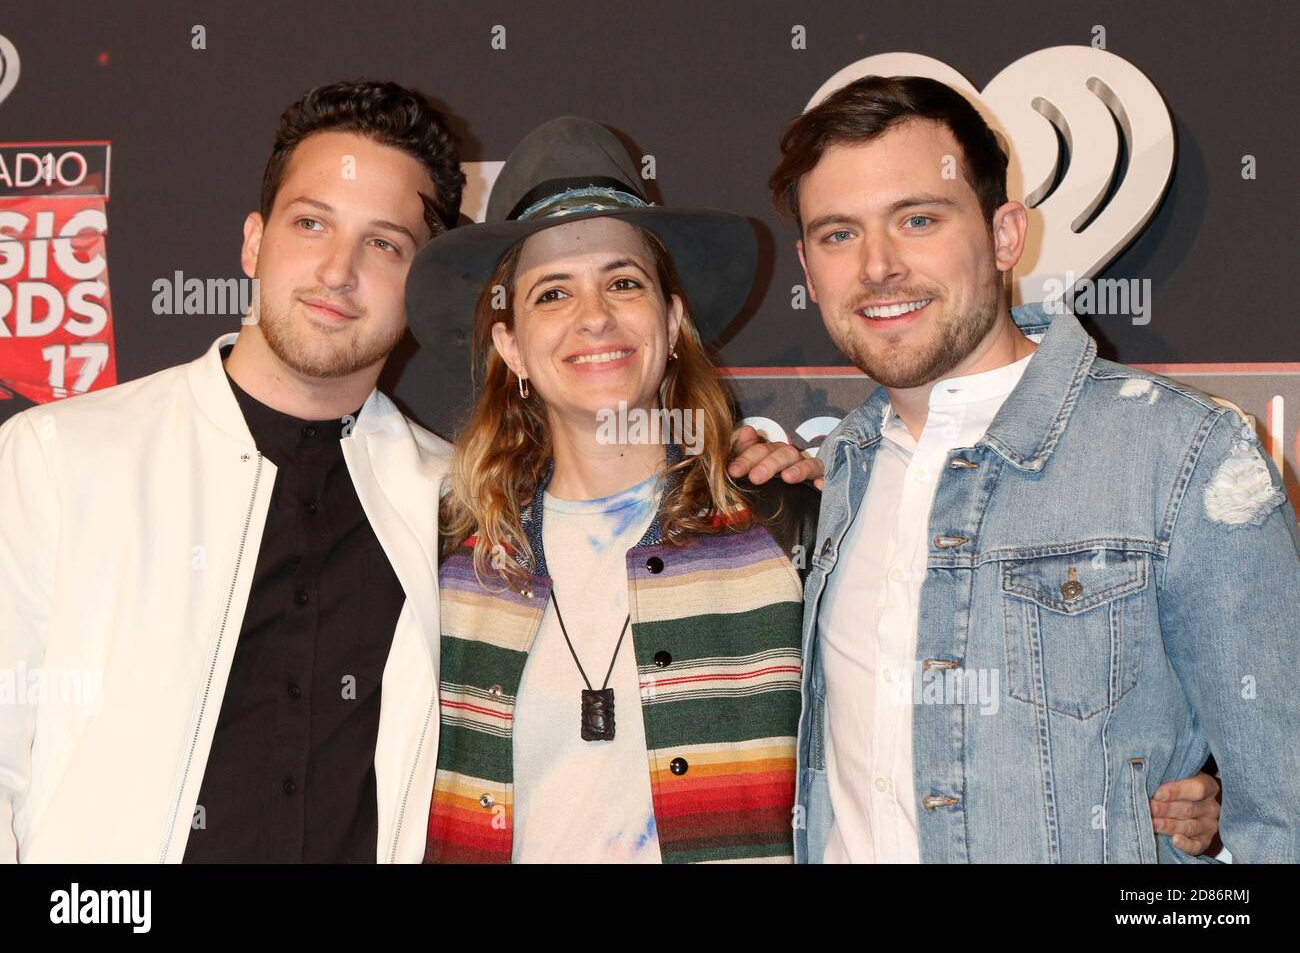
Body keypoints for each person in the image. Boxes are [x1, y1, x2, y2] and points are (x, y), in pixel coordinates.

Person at [761, 74, 1296, 862]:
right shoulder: (829, 478)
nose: (878, 266)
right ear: (809, 268)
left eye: (917, 219)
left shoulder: (1184, 455)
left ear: (1006, 235)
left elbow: (1282, 814)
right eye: (840, 234)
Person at [0, 80, 464, 862]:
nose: (337, 271)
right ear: (254, 242)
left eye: (383, 243)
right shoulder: (58, 458)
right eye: (311, 224)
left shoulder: (455, 500)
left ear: (421, 282)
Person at [406, 116, 821, 863]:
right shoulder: (445, 558)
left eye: (623, 283)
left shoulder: (785, 524)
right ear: (511, 345)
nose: (594, 317)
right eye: (552, 294)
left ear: (670, 321)